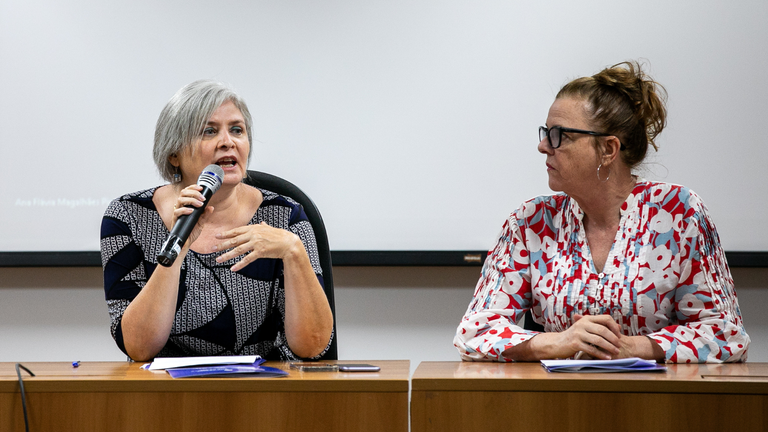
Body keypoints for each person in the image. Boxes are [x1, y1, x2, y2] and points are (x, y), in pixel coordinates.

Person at [454, 61, 750, 363]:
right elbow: (473, 333)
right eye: (546, 132)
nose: (543, 146)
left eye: (559, 135)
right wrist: (557, 342)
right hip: (557, 403)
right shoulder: (531, 221)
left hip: (658, 404)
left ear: (608, 149)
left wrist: (634, 347)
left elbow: (725, 334)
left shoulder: (678, 213)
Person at [101, 80, 334, 362]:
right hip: (165, 393)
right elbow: (139, 347)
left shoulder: (285, 216)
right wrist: (178, 248)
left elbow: (313, 346)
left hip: (264, 391)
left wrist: (294, 252)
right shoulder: (129, 216)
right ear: (173, 154)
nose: (228, 141)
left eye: (237, 130)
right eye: (209, 131)